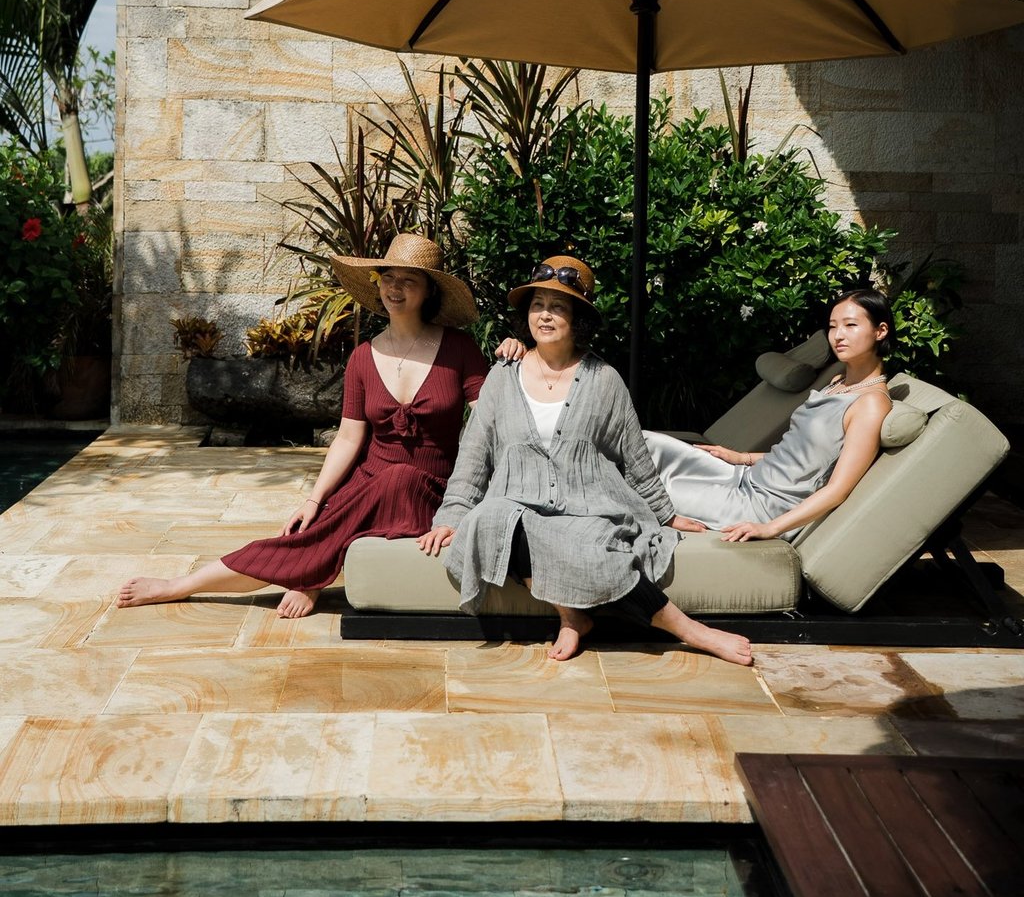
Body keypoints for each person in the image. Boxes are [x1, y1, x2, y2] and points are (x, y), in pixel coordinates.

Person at [118, 234, 487, 618]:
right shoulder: (363, 357)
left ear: (429, 290)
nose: (395, 288)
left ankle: (312, 577)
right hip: (370, 483)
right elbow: (348, 437)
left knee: (399, 481)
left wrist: (518, 359)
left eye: (409, 280)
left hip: (433, 487)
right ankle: (182, 586)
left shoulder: (460, 349)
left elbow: (489, 421)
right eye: (388, 277)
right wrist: (314, 499)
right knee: (299, 534)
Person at [417, 255, 753, 666]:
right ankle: (572, 615)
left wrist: (665, 515)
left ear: (578, 319)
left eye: (558, 307)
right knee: (492, 521)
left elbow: (635, 454)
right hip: (519, 504)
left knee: (593, 547)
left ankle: (690, 631)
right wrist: (452, 513)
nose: (545, 315)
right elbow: (474, 453)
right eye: (537, 305)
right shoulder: (503, 376)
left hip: (590, 506)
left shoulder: (603, 379)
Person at [644, 288, 894, 543]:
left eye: (850, 325)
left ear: (880, 331)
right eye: (832, 326)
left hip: (762, 505)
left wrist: (770, 528)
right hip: (745, 478)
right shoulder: (838, 381)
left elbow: (837, 489)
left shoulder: (870, 404)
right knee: (644, 444)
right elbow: (802, 456)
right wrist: (743, 458)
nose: (838, 336)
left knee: (649, 490)